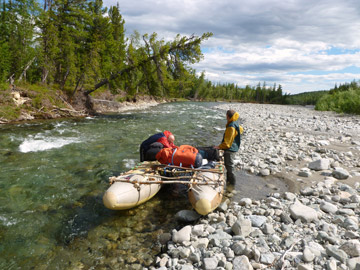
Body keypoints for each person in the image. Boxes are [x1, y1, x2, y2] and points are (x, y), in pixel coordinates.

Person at [215, 109, 243, 184]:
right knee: (228, 166)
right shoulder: (235, 123)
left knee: (230, 167)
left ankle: (232, 185)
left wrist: (219, 147)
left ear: (227, 116)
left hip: (230, 149)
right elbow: (241, 130)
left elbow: (228, 142)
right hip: (233, 147)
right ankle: (229, 182)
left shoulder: (231, 126)